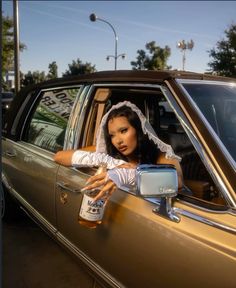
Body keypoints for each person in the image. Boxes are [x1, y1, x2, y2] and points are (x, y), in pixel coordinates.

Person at [54, 101, 183, 201]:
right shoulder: (106, 151)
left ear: (138, 129)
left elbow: (176, 182)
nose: (118, 141)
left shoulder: (161, 155)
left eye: (123, 131)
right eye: (112, 135)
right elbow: (59, 157)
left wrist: (125, 175)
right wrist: (108, 161)